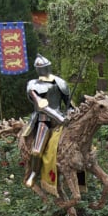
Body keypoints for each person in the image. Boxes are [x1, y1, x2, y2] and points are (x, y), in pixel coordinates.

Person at [23, 55, 73, 185]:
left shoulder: (60, 82)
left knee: (80, 143)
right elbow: (41, 105)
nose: (43, 69)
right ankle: (34, 173)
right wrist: (59, 117)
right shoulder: (32, 85)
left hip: (62, 121)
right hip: (44, 120)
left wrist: (70, 113)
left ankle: (83, 173)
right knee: (36, 151)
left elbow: (70, 104)